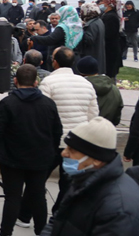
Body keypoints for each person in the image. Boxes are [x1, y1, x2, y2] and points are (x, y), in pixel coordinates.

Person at [0, 64, 63, 236]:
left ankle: (5, 233)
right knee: (38, 196)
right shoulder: (48, 104)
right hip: (40, 157)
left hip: (12, 158)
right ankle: (41, 232)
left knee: (12, 197)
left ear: (15, 81)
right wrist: (50, 150)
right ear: (36, 82)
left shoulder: (8, 103)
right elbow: (56, 130)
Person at [39, 117, 139, 235]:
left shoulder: (119, 209)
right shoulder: (84, 179)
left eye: (72, 150)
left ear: (96, 159)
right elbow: (58, 220)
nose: (64, 153)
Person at [41, 46, 99, 207]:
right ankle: (60, 211)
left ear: (55, 62)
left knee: (38, 180)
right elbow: (93, 115)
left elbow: (43, 113)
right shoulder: (86, 84)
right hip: (75, 143)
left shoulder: (48, 82)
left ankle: (26, 214)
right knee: (68, 183)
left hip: (53, 142)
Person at [30, 5, 104, 73]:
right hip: (75, 58)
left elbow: (50, 40)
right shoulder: (78, 26)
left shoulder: (63, 27)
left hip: (62, 59)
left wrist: (34, 38)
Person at [77, 56, 123, 125]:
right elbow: (117, 116)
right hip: (105, 129)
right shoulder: (114, 90)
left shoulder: (79, 88)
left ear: (80, 73)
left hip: (82, 130)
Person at [98, 0, 122, 79]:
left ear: (109, 4)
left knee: (110, 74)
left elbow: (109, 34)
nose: (100, 4)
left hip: (110, 50)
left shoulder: (111, 17)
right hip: (108, 49)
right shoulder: (106, 15)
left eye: (103, 2)